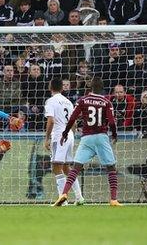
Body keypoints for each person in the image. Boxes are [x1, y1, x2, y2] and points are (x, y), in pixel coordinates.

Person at [53, 77, 121, 207]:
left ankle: (64, 194)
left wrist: (65, 133)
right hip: (101, 137)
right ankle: (113, 199)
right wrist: (114, 135)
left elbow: (72, 118)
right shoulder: (106, 102)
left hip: (86, 138)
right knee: (111, 167)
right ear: (102, 88)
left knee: (76, 167)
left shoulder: (82, 100)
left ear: (91, 87)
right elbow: (112, 122)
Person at [44, 78, 85, 206]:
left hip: (59, 136)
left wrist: (47, 138)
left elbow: (51, 120)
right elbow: (73, 121)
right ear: (62, 88)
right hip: (70, 135)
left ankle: (63, 200)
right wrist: (72, 134)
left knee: (56, 167)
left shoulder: (50, 101)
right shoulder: (68, 102)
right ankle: (79, 197)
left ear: (50, 87)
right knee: (67, 168)